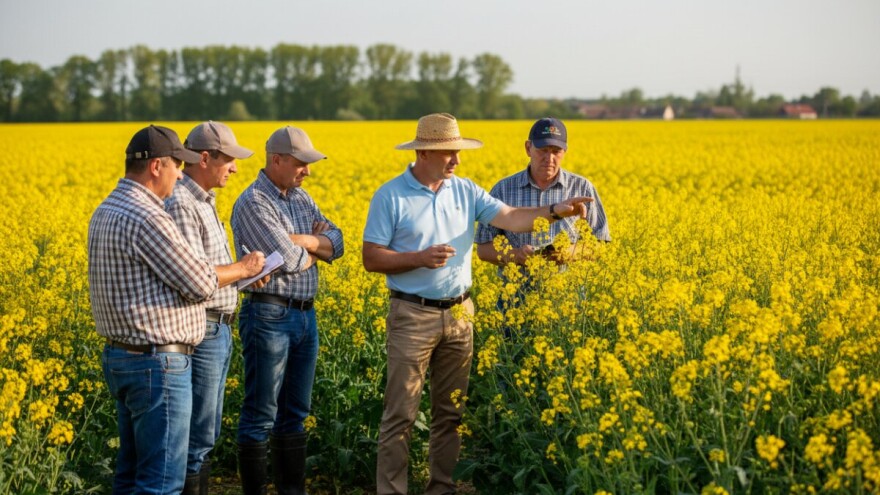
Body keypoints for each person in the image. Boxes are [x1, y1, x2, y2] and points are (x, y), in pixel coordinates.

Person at [362, 113, 592, 495]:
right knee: (401, 415)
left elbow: (512, 217)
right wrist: (419, 257)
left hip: (459, 313)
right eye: (449, 153)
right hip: (412, 314)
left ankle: (441, 489)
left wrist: (557, 211)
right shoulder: (391, 195)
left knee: (450, 415)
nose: (456, 160)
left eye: (457, 152)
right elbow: (371, 258)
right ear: (423, 152)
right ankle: (393, 491)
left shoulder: (465, 190)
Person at [88, 125, 266, 495]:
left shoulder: (106, 209)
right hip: (157, 364)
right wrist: (246, 268)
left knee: (131, 474)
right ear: (156, 167)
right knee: (161, 482)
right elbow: (199, 282)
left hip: (122, 355)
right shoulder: (148, 217)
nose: (180, 174)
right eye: (176, 166)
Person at [231, 125, 345, 495]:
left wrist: (307, 242)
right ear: (276, 160)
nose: (307, 171)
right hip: (269, 315)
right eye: (300, 164)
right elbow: (292, 260)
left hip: (304, 315)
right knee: (261, 414)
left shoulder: (301, 198)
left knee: (295, 412)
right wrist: (314, 247)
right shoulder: (254, 202)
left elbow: (338, 242)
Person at [165, 121, 270, 494]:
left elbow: (210, 273)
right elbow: (195, 277)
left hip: (216, 327)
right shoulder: (183, 204)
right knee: (194, 439)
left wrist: (242, 278)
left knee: (203, 434)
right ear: (205, 158)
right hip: (203, 328)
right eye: (229, 159)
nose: (236, 168)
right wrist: (242, 269)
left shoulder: (204, 202)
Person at [475, 118, 610, 335]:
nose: (550, 158)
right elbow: (483, 249)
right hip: (514, 299)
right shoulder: (503, 189)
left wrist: (569, 253)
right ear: (528, 148)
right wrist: (516, 255)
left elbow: (601, 244)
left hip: (566, 297)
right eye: (543, 150)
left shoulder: (582, 187)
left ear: (565, 151)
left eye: (556, 151)